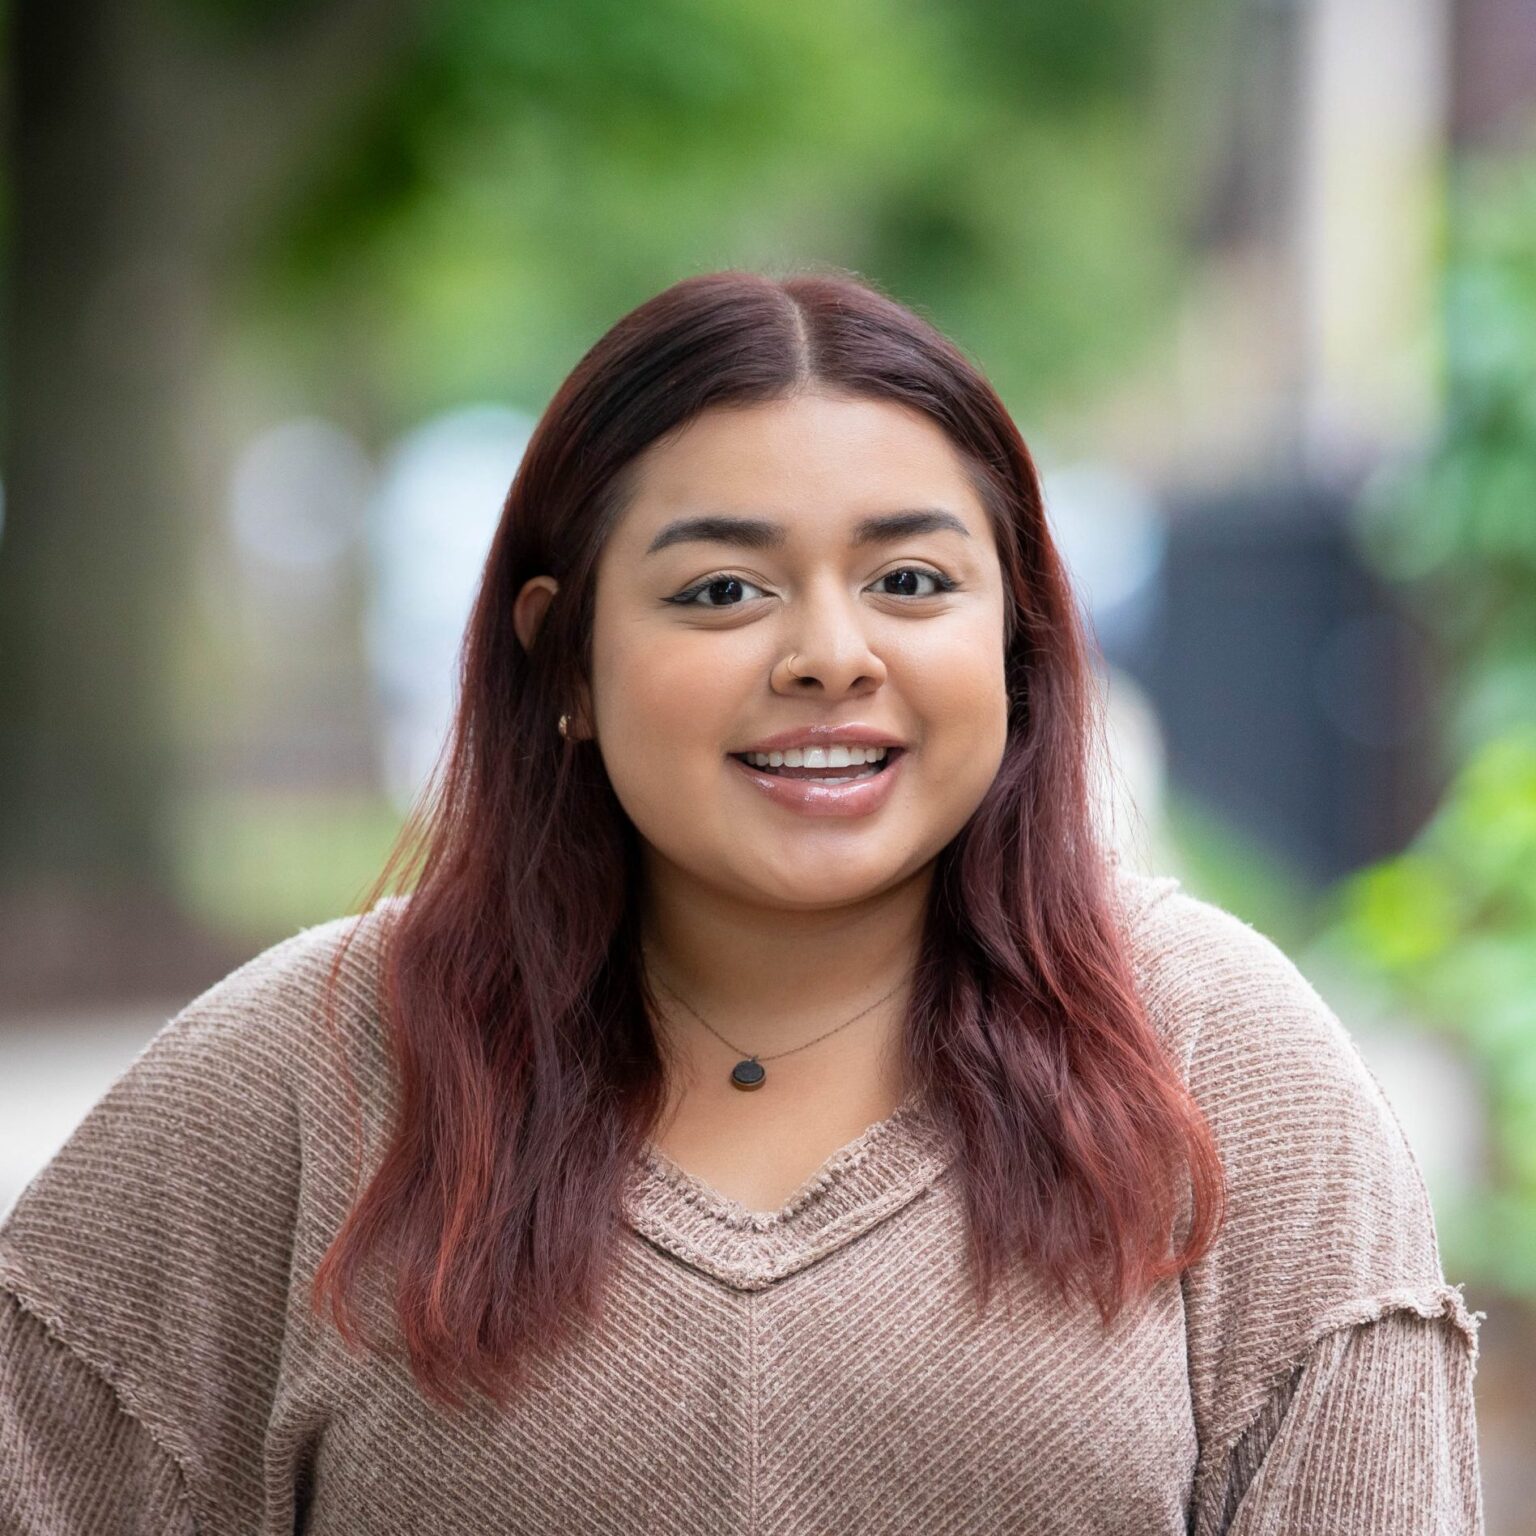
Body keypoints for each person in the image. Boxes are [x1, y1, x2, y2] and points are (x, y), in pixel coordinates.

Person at [0, 269, 1485, 1534]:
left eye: (912, 581)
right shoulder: (305, 1075)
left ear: (1019, 640)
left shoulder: (1227, 1068)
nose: (831, 655)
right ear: (562, 656)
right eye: (722, 592)